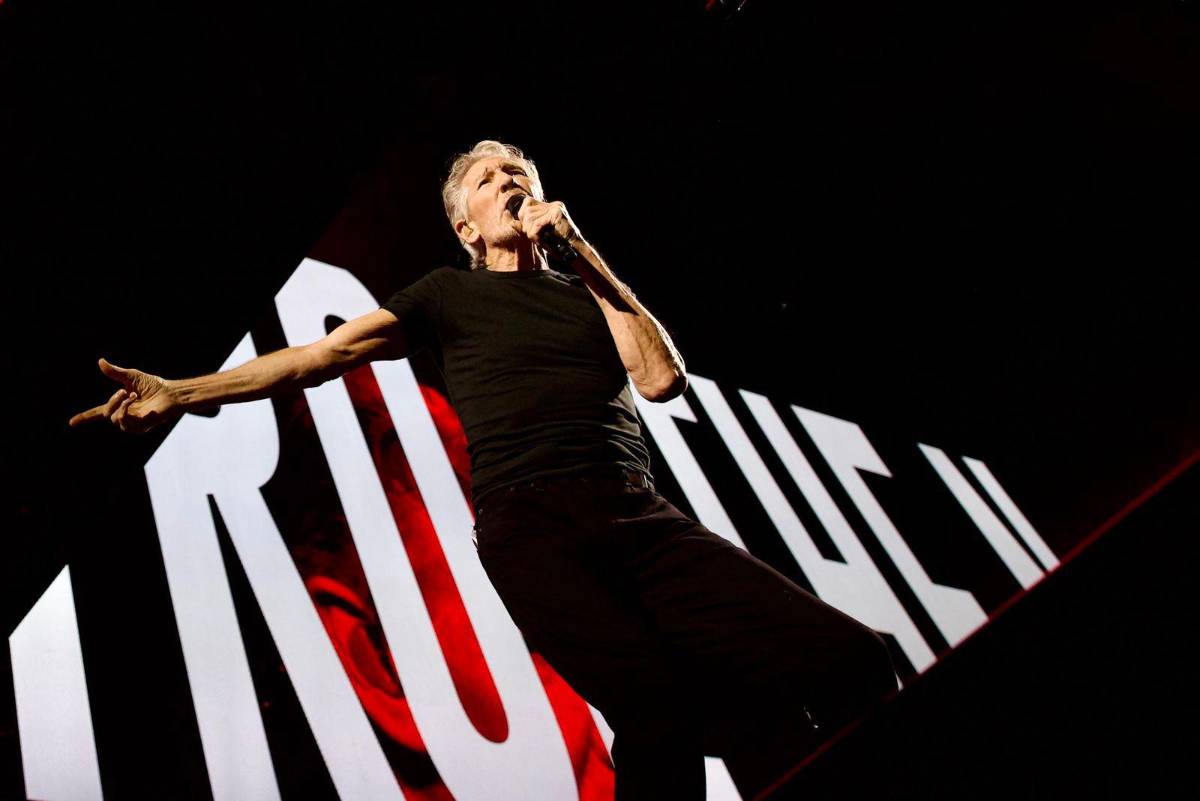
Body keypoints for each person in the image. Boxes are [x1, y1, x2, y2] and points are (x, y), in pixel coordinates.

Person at [70, 140, 897, 799]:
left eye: (520, 172)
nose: (510, 181)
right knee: (658, 714)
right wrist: (182, 391)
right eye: (489, 176)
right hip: (530, 526)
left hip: (639, 516)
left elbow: (659, 379)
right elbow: (318, 357)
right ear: (465, 226)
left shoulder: (587, 293)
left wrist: (583, 254)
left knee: (852, 658)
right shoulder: (446, 295)